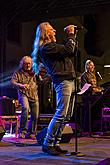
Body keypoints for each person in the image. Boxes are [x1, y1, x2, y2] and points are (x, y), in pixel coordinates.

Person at [31, 22, 77, 155]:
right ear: (46, 33)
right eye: (52, 29)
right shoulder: (46, 47)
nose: (55, 31)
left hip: (69, 80)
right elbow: (69, 50)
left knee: (66, 116)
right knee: (60, 113)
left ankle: (55, 143)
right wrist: (70, 34)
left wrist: (73, 37)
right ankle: (48, 143)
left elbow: (71, 51)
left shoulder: (52, 47)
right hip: (63, 81)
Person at [11, 56, 39, 139]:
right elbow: (12, 82)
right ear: (22, 64)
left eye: (29, 63)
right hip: (23, 94)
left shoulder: (34, 72)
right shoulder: (18, 72)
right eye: (25, 64)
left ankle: (31, 132)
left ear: (31, 64)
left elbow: (41, 82)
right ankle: (22, 131)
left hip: (34, 95)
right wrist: (21, 85)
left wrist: (47, 78)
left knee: (35, 114)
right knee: (25, 108)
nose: (27, 65)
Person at [80, 60, 103, 133]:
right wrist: (93, 89)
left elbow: (95, 85)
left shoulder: (93, 75)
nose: (92, 67)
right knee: (88, 113)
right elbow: (84, 86)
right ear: (87, 66)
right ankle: (86, 129)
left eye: (93, 65)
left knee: (95, 111)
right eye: (90, 65)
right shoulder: (84, 75)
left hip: (94, 96)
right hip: (88, 97)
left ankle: (95, 128)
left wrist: (99, 89)